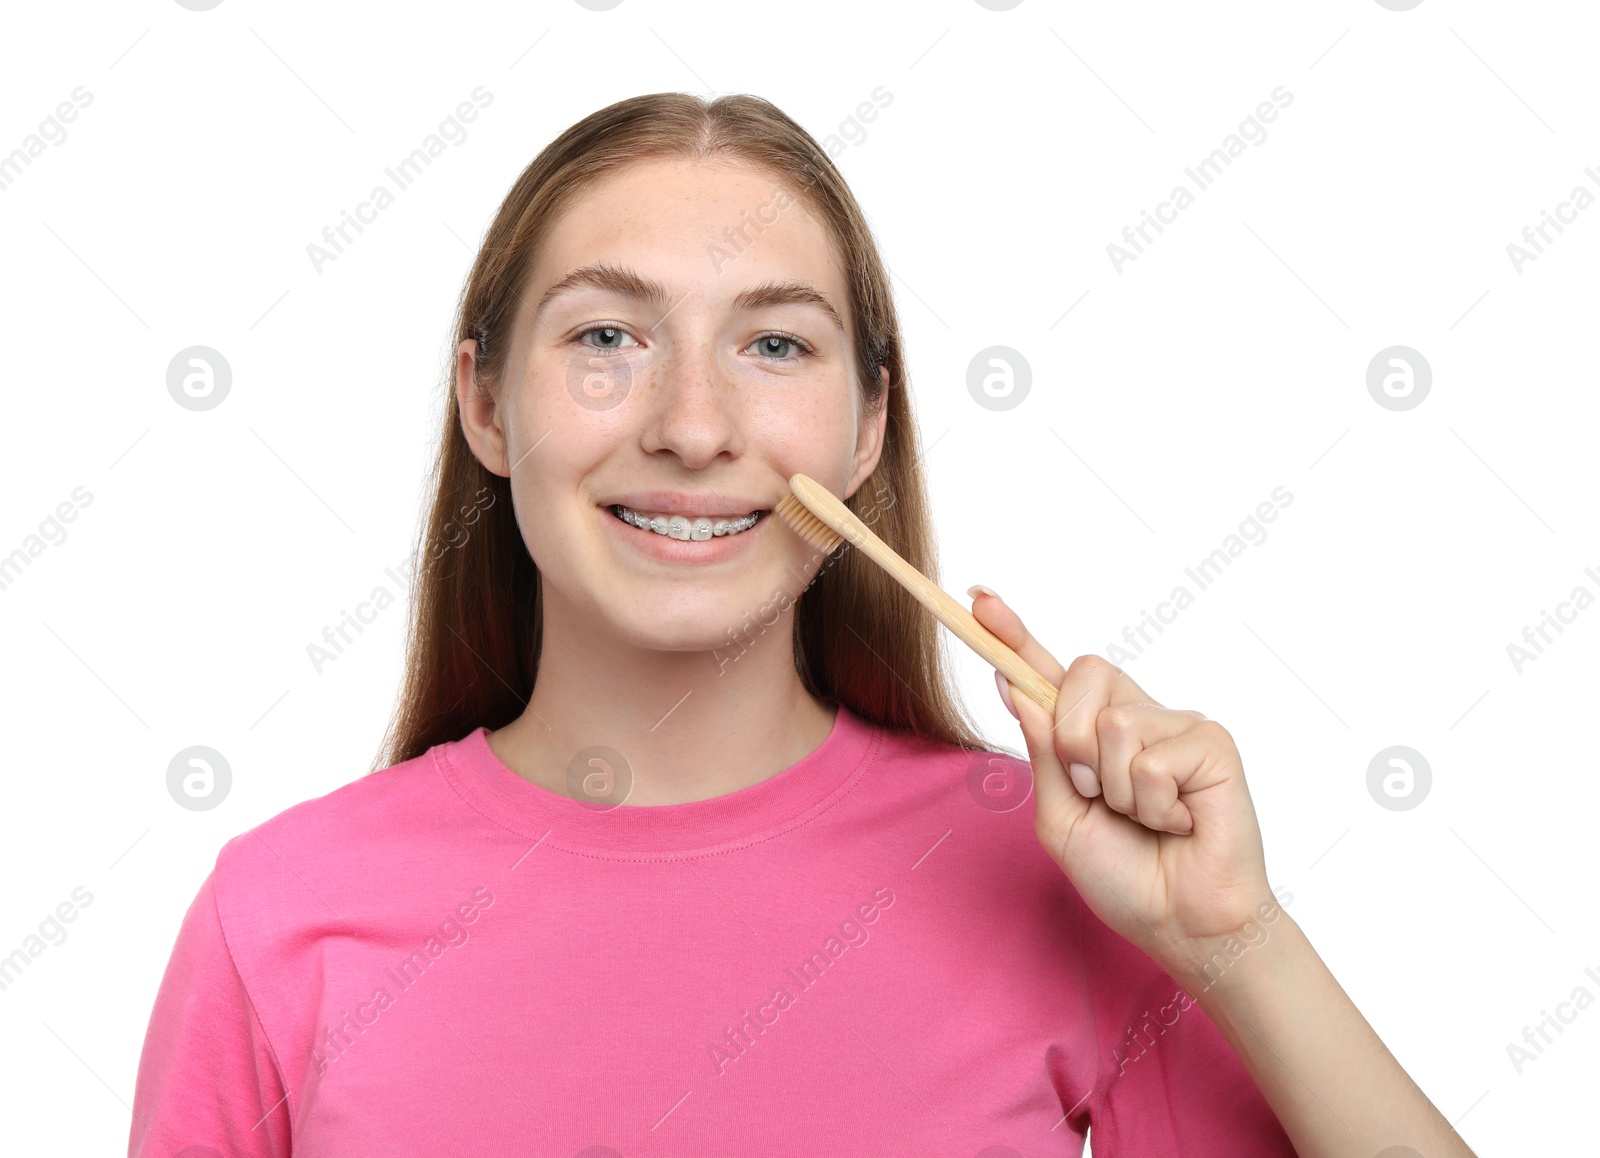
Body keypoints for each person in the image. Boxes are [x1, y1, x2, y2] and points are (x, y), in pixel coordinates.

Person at [128, 92, 1475, 1158]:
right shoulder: (279, 917)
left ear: (867, 423)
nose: (694, 425)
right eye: (606, 337)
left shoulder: (1066, 876)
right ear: (486, 405)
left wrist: (1239, 939)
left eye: (774, 346)